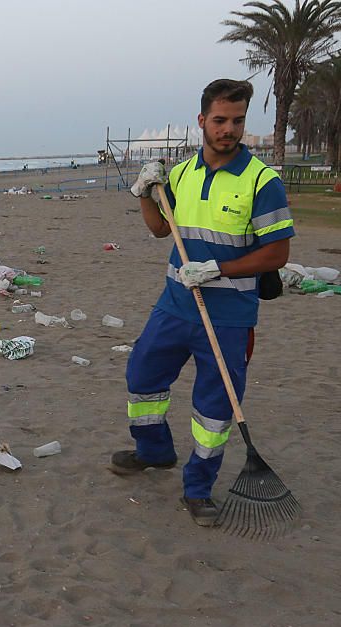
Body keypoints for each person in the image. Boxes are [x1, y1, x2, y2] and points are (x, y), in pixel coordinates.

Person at [111, 78, 294, 527]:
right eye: (219, 120)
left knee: (213, 410)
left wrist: (218, 269)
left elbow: (278, 253)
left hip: (229, 316)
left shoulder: (261, 181)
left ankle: (198, 489)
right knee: (142, 376)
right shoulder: (183, 173)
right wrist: (144, 195)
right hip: (174, 305)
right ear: (202, 121)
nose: (227, 129)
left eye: (236, 121)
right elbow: (160, 229)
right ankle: (154, 452)